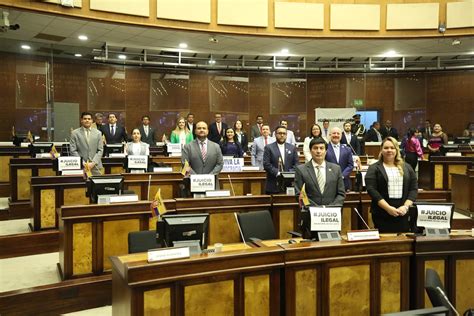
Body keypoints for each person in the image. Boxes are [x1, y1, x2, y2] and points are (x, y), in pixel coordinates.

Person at [365, 137, 418, 233]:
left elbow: (413, 189)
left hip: (403, 213)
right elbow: (372, 190)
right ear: (381, 150)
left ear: (397, 150)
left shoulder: (407, 167)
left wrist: (405, 207)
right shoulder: (374, 168)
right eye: (386, 148)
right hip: (382, 213)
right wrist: (388, 208)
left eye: (392, 148)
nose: (389, 150)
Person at [295, 138, 345, 206]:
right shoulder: (301, 170)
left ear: (326, 151)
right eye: (315, 148)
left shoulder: (336, 169)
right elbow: (299, 194)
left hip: (331, 213)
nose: (318, 151)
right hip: (310, 212)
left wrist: (329, 208)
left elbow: (341, 194)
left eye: (321, 148)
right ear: (310, 151)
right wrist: (316, 210)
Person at [181, 121, 223, 189]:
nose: (201, 130)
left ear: (208, 131)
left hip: (212, 183)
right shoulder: (187, 147)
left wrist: (209, 177)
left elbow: (220, 164)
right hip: (193, 184)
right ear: (195, 131)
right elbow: (185, 165)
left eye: (204, 128)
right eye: (199, 128)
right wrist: (197, 178)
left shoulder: (216, 146)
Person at [263, 126, 299, 194]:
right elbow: (266, 164)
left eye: (284, 133)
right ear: (275, 134)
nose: (282, 135)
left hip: (289, 184)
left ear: (286, 135)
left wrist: (288, 174)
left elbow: (296, 164)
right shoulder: (269, 148)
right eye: (279, 133)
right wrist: (279, 173)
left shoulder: (292, 148)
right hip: (273, 184)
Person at [70, 112, 103, 176]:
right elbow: (73, 150)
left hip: (95, 166)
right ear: (81, 120)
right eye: (85, 119)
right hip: (81, 166)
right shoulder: (74, 133)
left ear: (92, 121)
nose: (87, 120)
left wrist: (93, 163)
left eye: (89, 119)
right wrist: (82, 163)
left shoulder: (98, 133)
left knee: (97, 185)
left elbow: (100, 150)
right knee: (81, 185)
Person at [326, 127, 354, 191]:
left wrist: (342, 176)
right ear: (330, 135)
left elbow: (350, 165)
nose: (336, 135)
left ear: (341, 136)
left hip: (344, 183)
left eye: (338, 133)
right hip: (328, 182)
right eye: (334, 133)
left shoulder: (347, 149)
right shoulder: (325, 148)